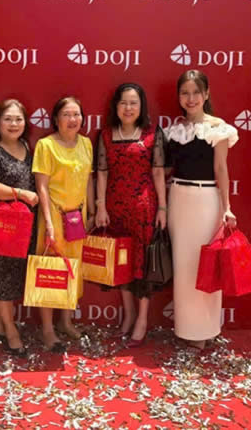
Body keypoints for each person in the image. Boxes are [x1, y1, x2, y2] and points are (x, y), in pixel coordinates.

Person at [165, 70, 238, 349]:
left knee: (207, 266)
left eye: (196, 92)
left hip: (207, 201)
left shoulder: (219, 128)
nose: (191, 98)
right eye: (185, 92)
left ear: (206, 94)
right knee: (184, 268)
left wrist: (227, 208)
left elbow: (221, 169)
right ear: (179, 97)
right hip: (178, 201)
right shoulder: (174, 130)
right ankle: (186, 329)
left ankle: (207, 329)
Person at [95, 83, 167, 347]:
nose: (128, 108)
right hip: (115, 208)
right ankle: (128, 315)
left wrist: (163, 207)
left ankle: (142, 320)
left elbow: (158, 172)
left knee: (143, 264)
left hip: (144, 208)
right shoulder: (104, 135)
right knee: (121, 264)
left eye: (133, 103)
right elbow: (101, 173)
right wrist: (100, 206)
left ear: (141, 107)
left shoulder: (151, 134)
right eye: (124, 103)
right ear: (116, 106)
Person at [0, 99, 39, 357]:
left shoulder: (27, 147)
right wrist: (21, 194)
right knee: (0, 276)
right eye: (8, 119)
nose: (14, 124)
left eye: (19, 119)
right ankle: (11, 332)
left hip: (23, 224)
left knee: (12, 275)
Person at [32, 96, 95, 352]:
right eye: (67, 115)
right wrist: (48, 222)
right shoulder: (45, 146)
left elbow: (88, 181)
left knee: (72, 271)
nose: (72, 120)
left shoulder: (87, 144)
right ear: (56, 119)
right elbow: (42, 187)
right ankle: (47, 329)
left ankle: (66, 321)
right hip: (54, 219)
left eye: (77, 114)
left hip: (77, 220)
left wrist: (91, 213)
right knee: (50, 273)